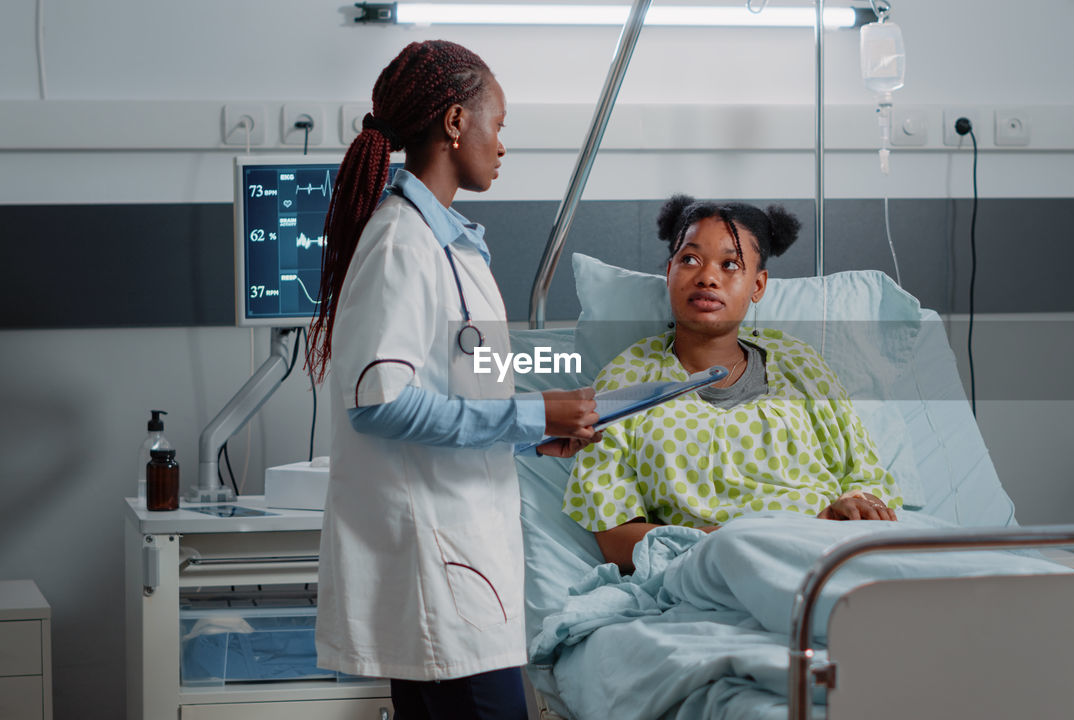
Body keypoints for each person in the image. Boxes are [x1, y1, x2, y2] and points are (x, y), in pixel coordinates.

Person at [306, 41, 600, 720]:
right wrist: (534, 418)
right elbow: (379, 405)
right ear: (456, 121)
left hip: (467, 564)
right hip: (441, 572)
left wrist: (534, 436)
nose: (503, 145)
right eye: (498, 124)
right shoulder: (401, 243)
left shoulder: (453, 245)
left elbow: (473, 396)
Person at [563, 194, 902, 572]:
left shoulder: (800, 366)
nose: (707, 276)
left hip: (828, 552)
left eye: (730, 265)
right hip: (709, 567)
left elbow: (865, 474)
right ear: (669, 270)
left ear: (757, 286)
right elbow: (614, 536)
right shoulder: (627, 380)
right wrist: (738, 542)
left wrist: (855, 506)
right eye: (690, 259)